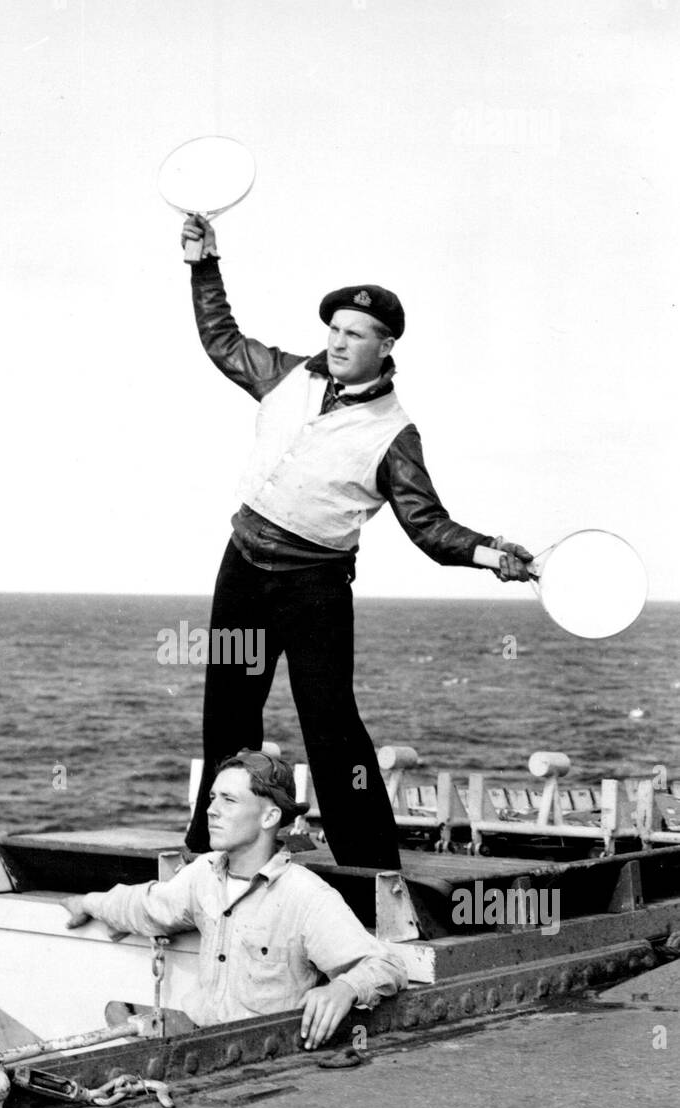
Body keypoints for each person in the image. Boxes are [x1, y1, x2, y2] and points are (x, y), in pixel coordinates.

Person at [179, 212, 533, 871]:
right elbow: (221, 339)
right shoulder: (286, 374)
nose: (339, 343)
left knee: (331, 726)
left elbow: (428, 527)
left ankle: (372, 866)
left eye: (356, 334)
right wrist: (204, 265)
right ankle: (209, 850)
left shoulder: (396, 432)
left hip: (312, 586)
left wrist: (491, 554)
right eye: (335, 330)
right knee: (228, 713)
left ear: (385, 346)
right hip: (244, 570)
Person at [62, 750, 407, 1050]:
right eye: (212, 798)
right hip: (199, 1038)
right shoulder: (204, 874)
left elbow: (386, 966)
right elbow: (147, 906)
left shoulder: (305, 897)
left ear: (269, 817)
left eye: (228, 800)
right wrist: (88, 903)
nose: (211, 810)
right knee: (117, 1012)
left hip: (263, 1056)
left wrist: (344, 988)